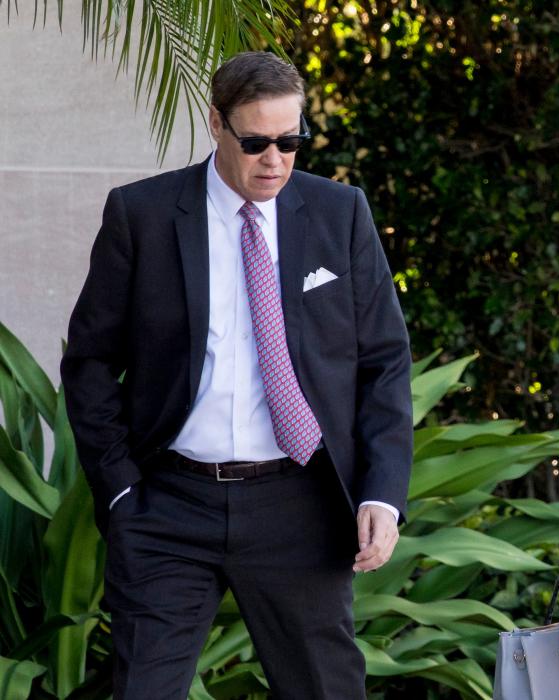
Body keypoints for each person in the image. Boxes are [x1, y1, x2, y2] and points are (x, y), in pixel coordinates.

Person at [60, 51, 412, 699]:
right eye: (255, 142)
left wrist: (381, 495)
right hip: (170, 506)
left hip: (299, 504)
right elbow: (88, 363)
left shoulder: (340, 213)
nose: (274, 159)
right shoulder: (142, 215)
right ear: (217, 125)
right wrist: (120, 494)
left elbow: (383, 361)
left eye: (291, 141)